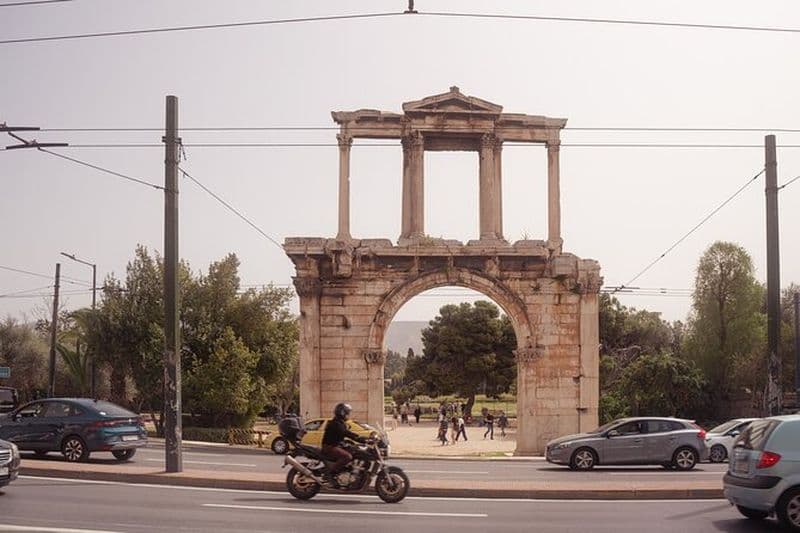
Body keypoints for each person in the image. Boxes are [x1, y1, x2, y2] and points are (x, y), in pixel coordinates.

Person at [321, 403, 366, 482]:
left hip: (335, 445)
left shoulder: (339, 422)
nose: (349, 415)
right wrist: (361, 438)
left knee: (354, 449)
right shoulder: (336, 423)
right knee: (347, 457)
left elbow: (343, 435)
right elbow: (346, 433)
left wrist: (361, 441)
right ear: (342, 413)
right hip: (329, 447)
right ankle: (329, 474)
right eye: (347, 413)